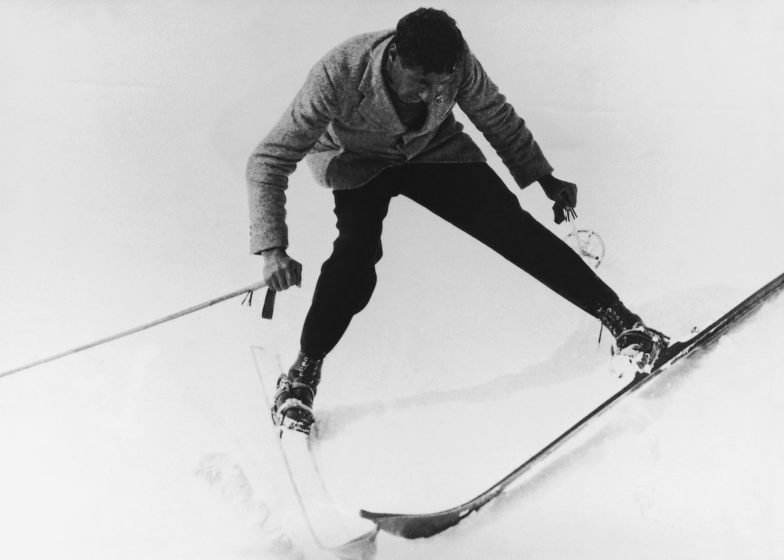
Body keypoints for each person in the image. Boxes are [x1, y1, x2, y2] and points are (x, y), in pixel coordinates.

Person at [247, 8, 666, 434]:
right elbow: (268, 160)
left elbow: (495, 116)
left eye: (440, 84)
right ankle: (302, 373)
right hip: (355, 161)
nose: (433, 95)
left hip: (434, 151)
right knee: (356, 255)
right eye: (422, 83)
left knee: (510, 227)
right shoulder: (340, 72)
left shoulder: (456, 59)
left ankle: (623, 321)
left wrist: (543, 176)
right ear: (394, 60)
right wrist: (273, 249)